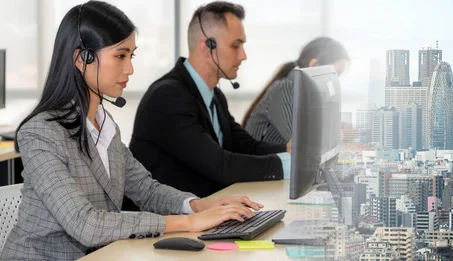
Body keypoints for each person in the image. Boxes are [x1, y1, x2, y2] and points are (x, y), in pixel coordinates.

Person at [1, 2, 262, 260]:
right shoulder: (40, 133)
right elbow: (85, 225)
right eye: (120, 56)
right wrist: (186, 223)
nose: (130, 69)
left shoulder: (105, 126)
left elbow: (146, 190)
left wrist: (197, 205)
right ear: (83, 59)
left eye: (131, 56)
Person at [129, 1, 290, 200]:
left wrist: (289, 150)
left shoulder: (214, 95)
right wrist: (291, 164)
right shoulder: (168, 97)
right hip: (165, 224)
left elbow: (248, 147)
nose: (243, 55)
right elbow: (221, 166)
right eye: (235, 45)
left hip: (203, 214)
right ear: (208, 47)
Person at [242, 37, 349, 144]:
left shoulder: (307, 94)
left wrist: (337, 126)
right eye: (335, 73)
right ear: (314, 65)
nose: (336, 81)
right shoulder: (285, 88)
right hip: (262, 159)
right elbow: (303, 142)